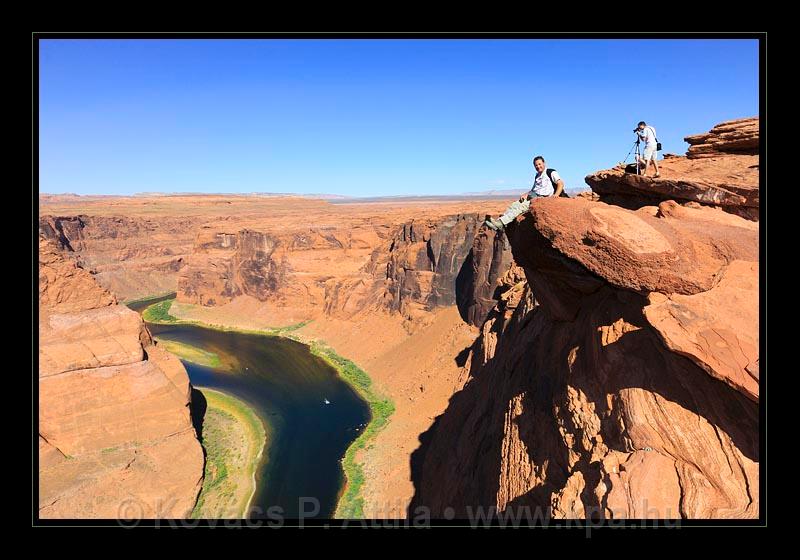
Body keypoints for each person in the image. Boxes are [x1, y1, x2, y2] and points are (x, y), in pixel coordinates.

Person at [485, 156, 565, 231]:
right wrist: (525, 194)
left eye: (539, 164)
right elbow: (533, 189)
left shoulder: (550, 172)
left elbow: (560, 183)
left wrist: (556, 195)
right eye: (536, 165)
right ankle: (500, 222)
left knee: (522, 207)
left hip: (542, 198)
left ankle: (501, 223)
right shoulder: (537, 176)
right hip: (534, 195)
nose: (538, 166)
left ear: (544, 163)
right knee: (515, 205)